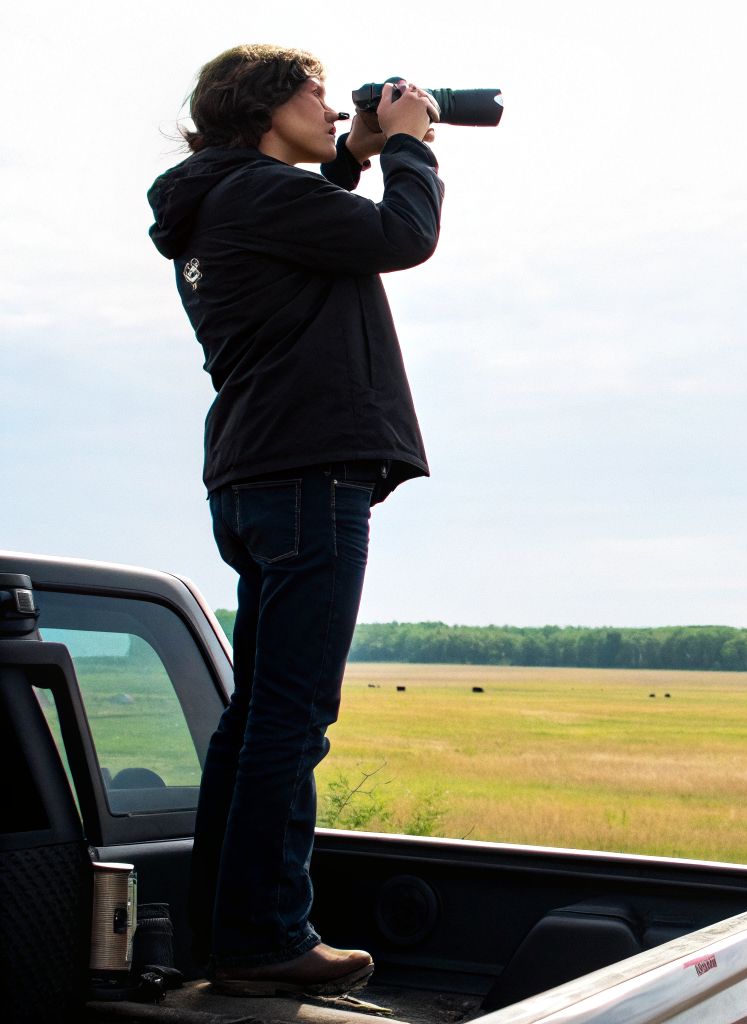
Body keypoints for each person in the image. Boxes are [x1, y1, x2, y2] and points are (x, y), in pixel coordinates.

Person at [147, 44, 442, 996]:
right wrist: (409, 148)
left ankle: (235, 934)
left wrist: (349, 152)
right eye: (315, 93)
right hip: (309, 475)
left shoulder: (224, 200)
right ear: (264, 109)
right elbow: (401, 237)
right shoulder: (260, 198)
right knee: (292, 718)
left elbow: (324, 226)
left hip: (260, 475)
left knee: (257, 719)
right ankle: (266, 937)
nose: (331, 102)